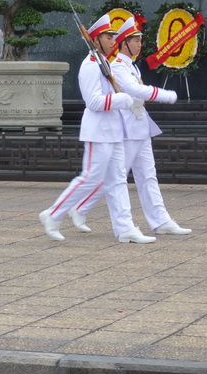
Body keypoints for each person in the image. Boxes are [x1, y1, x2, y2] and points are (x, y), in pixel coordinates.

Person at [64, 16, 192, 236]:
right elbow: (135, 91)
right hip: (125, 128)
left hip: (139, 126)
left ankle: (160, 220)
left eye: (140, 40)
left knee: (146, 175)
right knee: (115, 177)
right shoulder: (117, 67)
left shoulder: (130, 66)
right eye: (135, 41)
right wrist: (165, 95)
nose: (139, 45)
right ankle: (81, 208)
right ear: (125, 43)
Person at [38, 13, 155, 244]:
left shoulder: (104, 62)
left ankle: (125, 228)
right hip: (98, 131)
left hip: (113, 130)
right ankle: (53, 214)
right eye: (108, 36)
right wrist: (123, 100)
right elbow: (93, 102)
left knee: (118, 179)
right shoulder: (90, 66)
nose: (114, 40)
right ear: (96, 39)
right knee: (90, 178)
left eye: (113, 36)